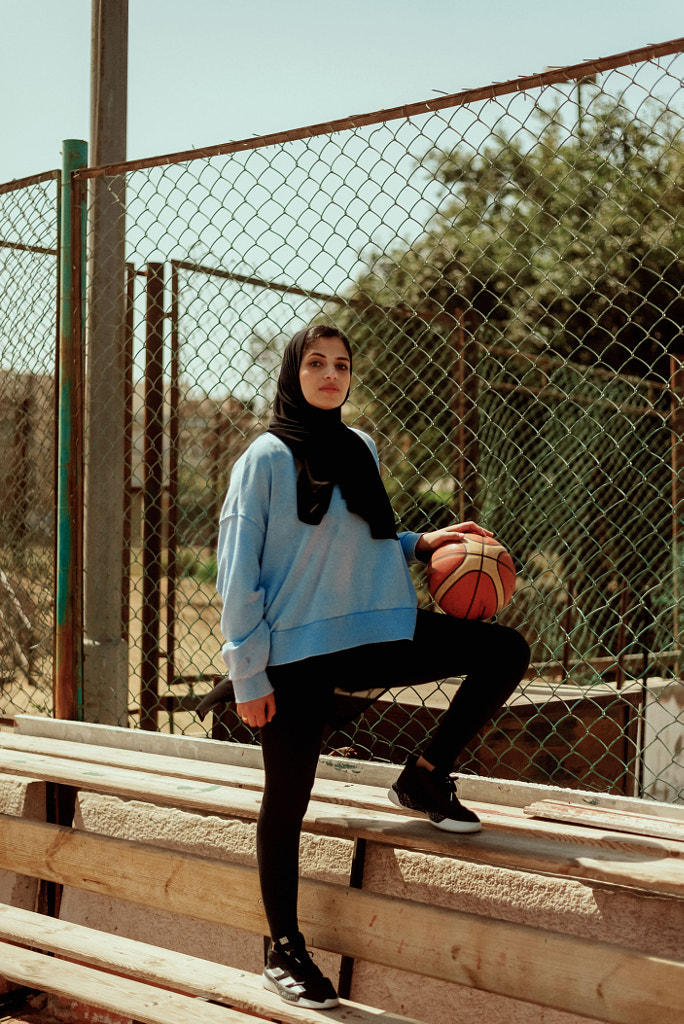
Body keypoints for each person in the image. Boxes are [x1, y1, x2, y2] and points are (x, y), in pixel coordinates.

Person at [204, 324, 530, 1010]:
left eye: (341, 364)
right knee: (286, 800)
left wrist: (422, 542)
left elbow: (360, 538)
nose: (329, 374)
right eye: (316, 362)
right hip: (293, 653)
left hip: (371, 632)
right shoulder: (263, 458)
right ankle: (283, 946)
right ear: (294, 372)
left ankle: (424, 778)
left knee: (505, 651)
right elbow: (237, 575)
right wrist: (250, 672)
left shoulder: (359, 448)